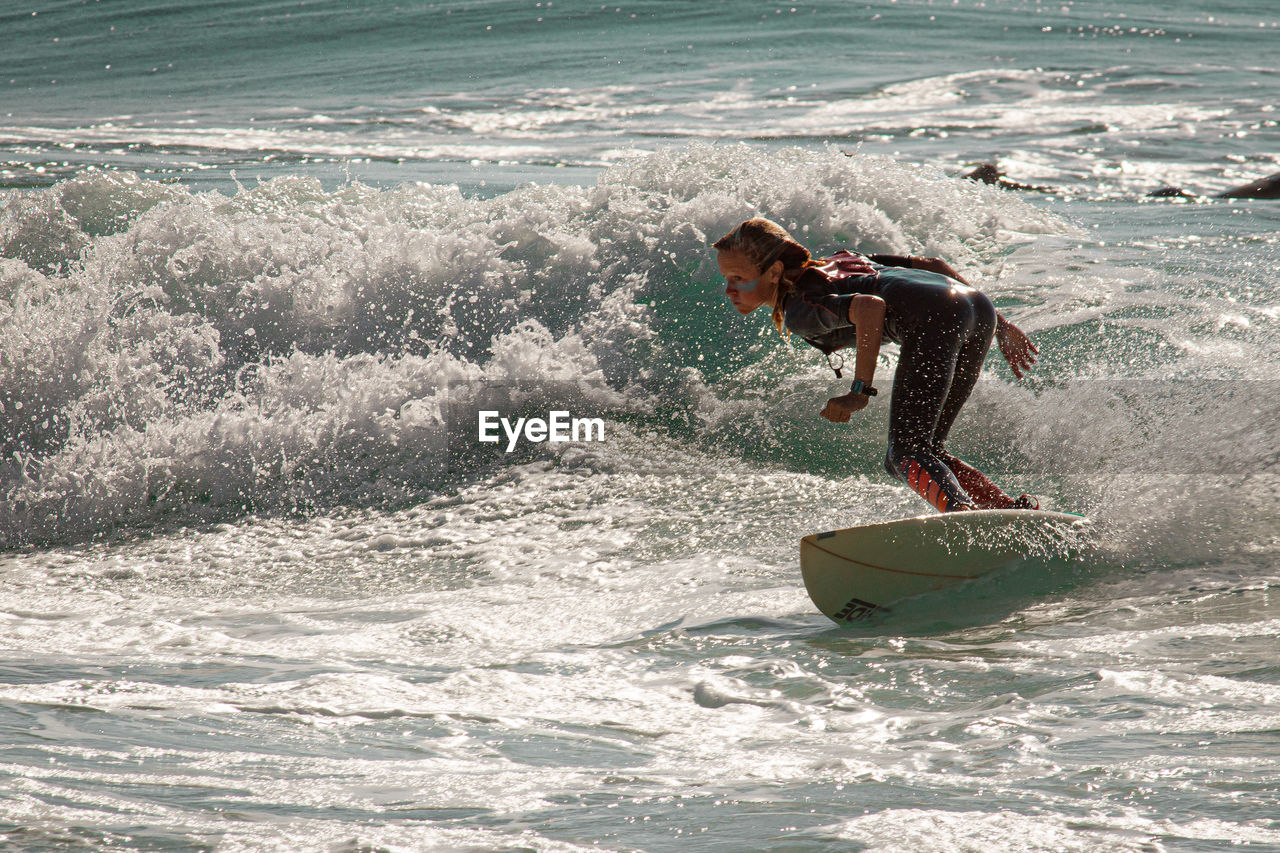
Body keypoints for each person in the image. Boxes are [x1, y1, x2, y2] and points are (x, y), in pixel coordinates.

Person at [713, 217, 1039, 513]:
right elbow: (933, 265)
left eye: (738, 278)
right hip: (978, 307)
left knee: (905, 454)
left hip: (935, 317)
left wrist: (860, 391)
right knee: (925, 450)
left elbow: (869, 308)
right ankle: (1007, 509)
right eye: (727, 278)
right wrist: (1002, 325)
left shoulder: (799, 308)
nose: (728, 290)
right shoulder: (843, 259)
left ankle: (964, 516)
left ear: (774, 272)